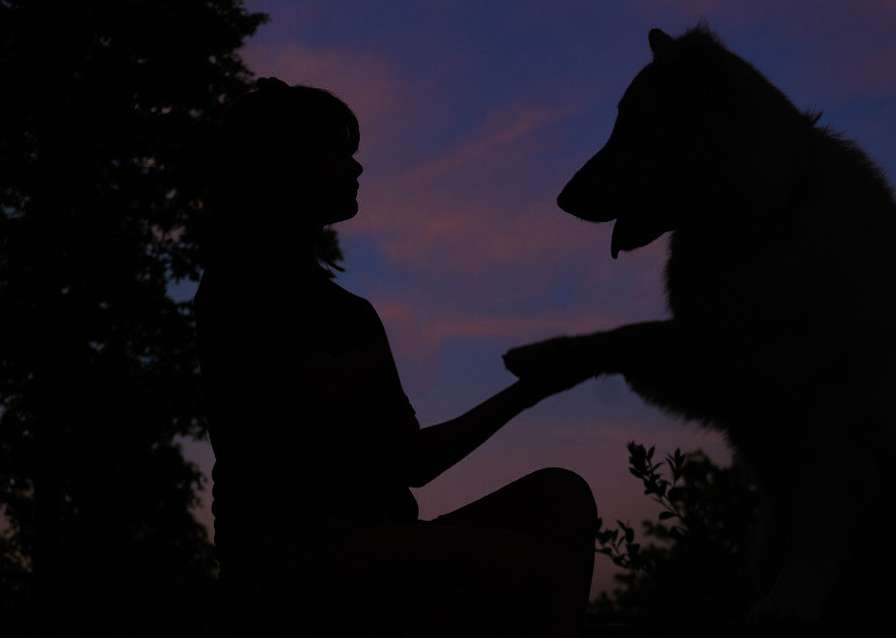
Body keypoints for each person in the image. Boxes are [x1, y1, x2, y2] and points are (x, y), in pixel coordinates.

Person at [195, 77, 597, 636]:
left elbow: (414, 461)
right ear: (286, 164)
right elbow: (318, 415)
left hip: (383, 543)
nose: (357, 168)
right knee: (522, 569)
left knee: (561, 496)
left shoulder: (352, 313)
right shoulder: (238, 286)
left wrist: (529, 391)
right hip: (295, 558)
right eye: (338, 151)